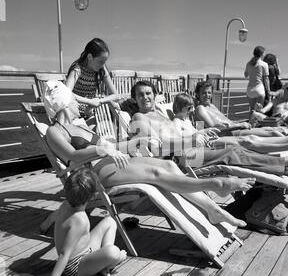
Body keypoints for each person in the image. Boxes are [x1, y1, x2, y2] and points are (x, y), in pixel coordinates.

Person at [42, 80, 257, 229]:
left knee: (170, 167)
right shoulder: (54, 131)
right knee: (155, 172)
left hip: (113, 159)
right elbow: (73, 155)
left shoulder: (83, 127)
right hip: (94, 172)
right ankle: (215, 184)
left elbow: (113, 146)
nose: (77, 103)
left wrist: (135, 142)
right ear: (63, 103)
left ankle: (212, 210)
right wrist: (102, 148)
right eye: (72, 100)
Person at [129, 80, 288, 179]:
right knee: (230, 153)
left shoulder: (160, 114)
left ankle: (287, 161)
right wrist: (190, 140)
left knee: (237, 146)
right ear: (135, 99)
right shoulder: (139, 118)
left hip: (191, 146)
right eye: (140, 94)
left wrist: (198, 134)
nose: (145, 97)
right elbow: (156, 148)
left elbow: (178, 130)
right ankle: (286, 167)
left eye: (148, 93)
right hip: (179, 159)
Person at [39, 168, 127, 276]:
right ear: (92, 196)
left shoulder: (65, 204)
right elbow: (64, 254)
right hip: (77, 267)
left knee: (110, 221)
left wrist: (44, 225)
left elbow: (54, 216)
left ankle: (103, 264)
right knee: (114, 252)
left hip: (86, 251)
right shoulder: (79, 220)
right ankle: (111, 262)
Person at [194, 80, 287, 137]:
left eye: (209, 93)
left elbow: (226, 121)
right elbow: (214, 129)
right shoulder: (200, 108)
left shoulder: (211, 106)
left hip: (235, 129)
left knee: (272, 129)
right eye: (204, 93)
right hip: (229, 134)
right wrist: (239, 125)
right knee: (272, 133)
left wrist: (241, 124)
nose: (207, 95)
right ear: (197, 94)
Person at [66, 38, 120, 125]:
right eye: (100, 61)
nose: (102, 65)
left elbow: (116, 96)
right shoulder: (77, 70)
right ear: (90, 57)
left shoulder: (101, 69)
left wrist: (100, 101)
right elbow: (66, 93)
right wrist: (90, 102)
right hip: (74, 115)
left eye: (104, 62)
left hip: (90, 114)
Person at [244, 46, 271, 115]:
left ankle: (250, 125)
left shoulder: (249, 63)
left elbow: (246, 75)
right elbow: (266, 79)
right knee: (259, 111)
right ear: (262, 54)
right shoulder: (264, 64)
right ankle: (257, 125)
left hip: (250, 90)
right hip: (259, 89)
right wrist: (268, 91)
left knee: (252, 110)